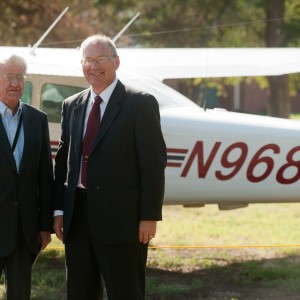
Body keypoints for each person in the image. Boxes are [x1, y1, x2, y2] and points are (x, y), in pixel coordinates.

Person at [53, 34, 167, 300]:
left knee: (126, 292)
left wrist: (149, 216)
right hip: (77, 218)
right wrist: (59, 210)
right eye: (88, 60)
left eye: (101, 59)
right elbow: (63, 161)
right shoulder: (71, 105)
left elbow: (153, 163)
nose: (94, 66)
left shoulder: (140, 103)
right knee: (80, 293)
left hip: (123, 222)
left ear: (116, 61)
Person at [0, 54, 53, 300]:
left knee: (20, 294)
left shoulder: (37, 119)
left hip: (25, 228)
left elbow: (45, 176)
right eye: (8, 77)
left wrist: (44, 225)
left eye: (20, 77)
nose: (14, 83)